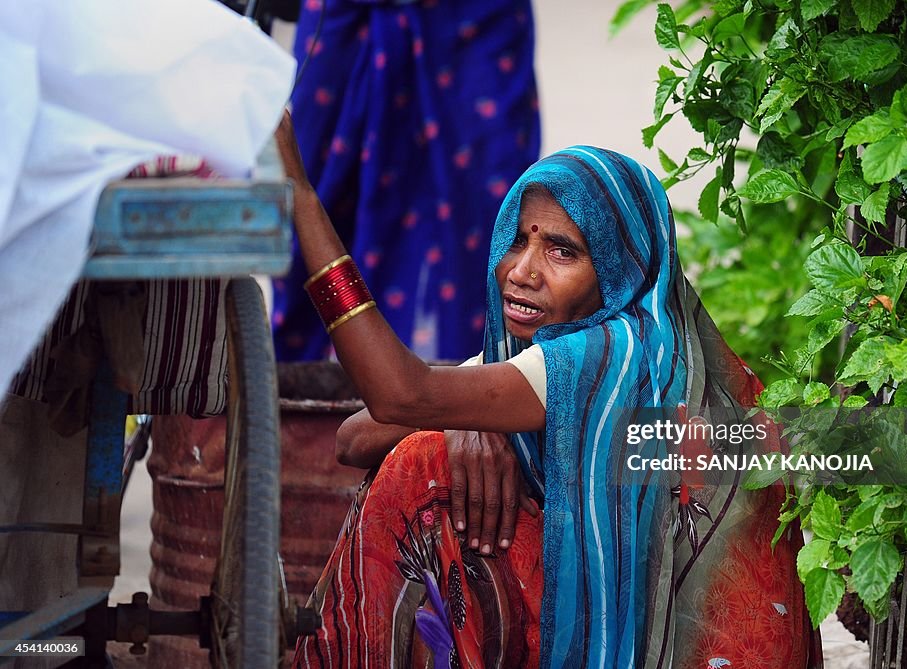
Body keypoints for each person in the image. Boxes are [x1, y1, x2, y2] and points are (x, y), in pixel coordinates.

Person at [275, 113, 822, 668]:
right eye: (516, 241)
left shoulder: (606, 354)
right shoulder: (621, 344)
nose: (521, 271)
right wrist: (465, 417)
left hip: (706, 648)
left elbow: (398, 396)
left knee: (425, 471)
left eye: (563, 251)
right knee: (432, 451)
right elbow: (352, 440)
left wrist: (300, 195)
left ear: (618, 270)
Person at [272, 0, 540, 363]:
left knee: (484, 223)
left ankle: (476, 397)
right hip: (347, 21)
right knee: (312, 201)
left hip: (476, 21)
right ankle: (304, 396)